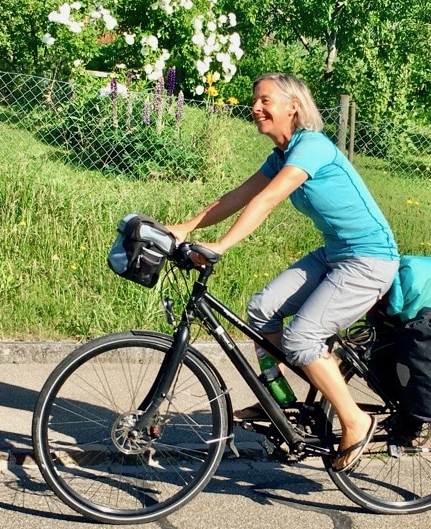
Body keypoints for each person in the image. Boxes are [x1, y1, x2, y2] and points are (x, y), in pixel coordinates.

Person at [167, 73, 400, 472]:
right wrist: (185, 227)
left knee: (301, 337)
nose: (256, 107)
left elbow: (268, 199)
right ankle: (280, 401)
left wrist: (221, 245)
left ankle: (354, 420)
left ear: (293, 106)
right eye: (255, 100)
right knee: (261, 310)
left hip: (369, 259)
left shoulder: (311, 147)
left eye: (265, 100)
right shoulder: (281, 154)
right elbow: (239, 195)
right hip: (335, 254)